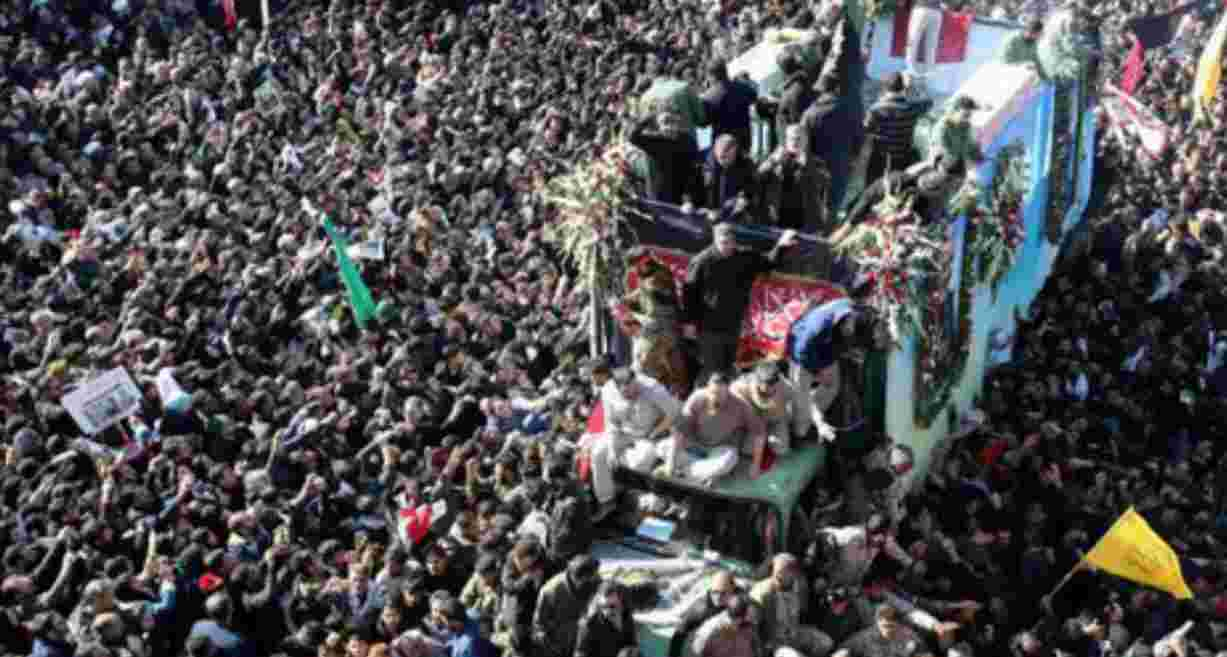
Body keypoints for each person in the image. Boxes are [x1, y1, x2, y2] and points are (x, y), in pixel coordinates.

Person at [683, 223, 798, 383]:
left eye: (731, 242)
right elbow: (689, 293)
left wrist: (781, 246)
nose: (728, 246)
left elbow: (768, 262)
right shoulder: (702, 261)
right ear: (715, 241)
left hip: (733, 324)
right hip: (709, 326)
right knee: (712, 371)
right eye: (724, 242)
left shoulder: (743, 257)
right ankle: (699, 401)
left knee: (727, 367)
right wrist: (689, 322)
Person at [588, 367, 682, 520]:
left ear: (636, 382)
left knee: (642, 461)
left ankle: (630, 489)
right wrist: (612, 448)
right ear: (616, 387)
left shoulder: (653, 388)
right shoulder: (607, 390)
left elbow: (674, 412)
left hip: (646, 435)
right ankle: (607, 501)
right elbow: (610, 422)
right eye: (624, 392)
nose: (629, 393)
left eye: (631, 389)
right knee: (598, 453)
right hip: (621, 432)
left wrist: (657, 431)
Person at [669, 371, 768, 482]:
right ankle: (703, 473)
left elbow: (760, 432)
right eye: (712, 392)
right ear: (707, 388)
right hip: (695, 445)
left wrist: (756, 465)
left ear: (728, 392)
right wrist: (671, 462)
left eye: (720, 394)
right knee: (664, 448)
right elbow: (681, 428)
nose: (715, 397)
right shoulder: (697, 397)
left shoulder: (740, 405)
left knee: (728, 462)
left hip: (721, 449)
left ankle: (686, 473)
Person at [751, 553, 835, 657]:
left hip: (794, 633)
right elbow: (756, 630)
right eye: (777, 572)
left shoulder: (797, 586)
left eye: (785, 572)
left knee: (825, 643)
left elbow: (801, 614)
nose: (778, 576)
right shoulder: (763, 593)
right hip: (775, 642)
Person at [863, 73, 933, 186]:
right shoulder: (912, 107)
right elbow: (929, 102)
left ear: (884, 88)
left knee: (873, 192)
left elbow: (865, 130)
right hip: (904, 159)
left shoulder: (876, 109)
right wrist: (912, 87)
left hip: (880, 160)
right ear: (903, 87)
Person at [730, 362, 809, 455]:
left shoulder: (786, 387)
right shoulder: (745, 384)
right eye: (766, 384)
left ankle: (776, 435)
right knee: (747, 451)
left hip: (776, 420)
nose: (769, 389)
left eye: (772, 384)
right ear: (757, 380)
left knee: (781, 449)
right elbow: (732, 390)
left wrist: (798, 431)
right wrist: (747, 408)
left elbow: (800, 404)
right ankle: (756, 438)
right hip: (756, 421)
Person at [532, 555, 601, 657]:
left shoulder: (595, 581)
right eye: (591, 577)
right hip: (559, 643)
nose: (595, 578)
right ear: (580, 578)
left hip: (586, 639)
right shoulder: (550, 591)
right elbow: (539, 625)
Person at [630, 110, 702, 205]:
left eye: (672, 123)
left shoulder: (687, 140)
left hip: (687, 188)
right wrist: (648, 118)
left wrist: (688, 194)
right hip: (665, 190)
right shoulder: (656, 141)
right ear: (659, 127)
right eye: (665, 124)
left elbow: (695, 168)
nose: (669, 128)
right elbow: (633, 137)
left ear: (677, 124)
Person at [669, 571, 740, 657]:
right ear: (710, 591)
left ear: (731, 593)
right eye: (715, 592)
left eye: (723, 593)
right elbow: (679, 633)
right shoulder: (700, 608)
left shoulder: (741, 604)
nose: (718, 597)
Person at [700, 57, 758, 155]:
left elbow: (704, 122)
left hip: (723, 146)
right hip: (744, 140)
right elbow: (754, 96)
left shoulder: (709, 97)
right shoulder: (743, 87)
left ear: (711, 76)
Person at [574, 581, 638, 657]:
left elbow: (633, 645)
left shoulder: (627, 618)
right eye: (603, 606)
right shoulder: (589, 624)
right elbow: (580, 653)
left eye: (612, 606)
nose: (606, 611)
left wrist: (629, 652)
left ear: (623, 604)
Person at [690, 593, 762, 657]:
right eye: (751, 615)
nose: (754, 619)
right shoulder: (712, 631)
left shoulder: (746, 625)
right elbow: (697, 650)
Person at [702, 134, 758, 217]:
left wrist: (743, 198)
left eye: (725, 157)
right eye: (719, 157)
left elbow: (751, 188)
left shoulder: (746, 164)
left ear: (734, 151)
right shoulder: (705, 162)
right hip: (708, 211)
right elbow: (696, 186)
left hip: (735, 211)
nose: (722, 161)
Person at [905, 0, 950, 97]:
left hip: (921, 8)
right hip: (937, 12)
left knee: (912, 45)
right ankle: (922, 86)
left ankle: (910, 84)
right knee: (930, 50)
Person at [928, 97, 984, 173]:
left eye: (970, 115)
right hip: (941, 166)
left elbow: (968, 144)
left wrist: (976, 155)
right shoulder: (943, 127)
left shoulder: (965, 126)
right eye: (966, 115)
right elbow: (941, 148)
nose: (968, 118)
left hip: (956, 166)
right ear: (956, 110)